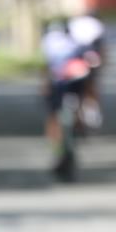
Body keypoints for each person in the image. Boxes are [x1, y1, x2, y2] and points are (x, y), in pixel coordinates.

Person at [40, 19, 92, 176]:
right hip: (76, 82)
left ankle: (56, 143)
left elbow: (47, 66)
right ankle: (80, 126)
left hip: (59, 84)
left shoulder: (48, 43)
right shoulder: (75, 43)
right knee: (75, 108)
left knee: (53, 115)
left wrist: (45, 85)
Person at [67, 12, 106, 127]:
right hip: (88, 60)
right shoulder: (95, 25)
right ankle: (90, 113)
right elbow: (101, 45)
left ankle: (79, 115)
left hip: (77, 61)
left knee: (77, 90)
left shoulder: (74, 24)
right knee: (90, 86)